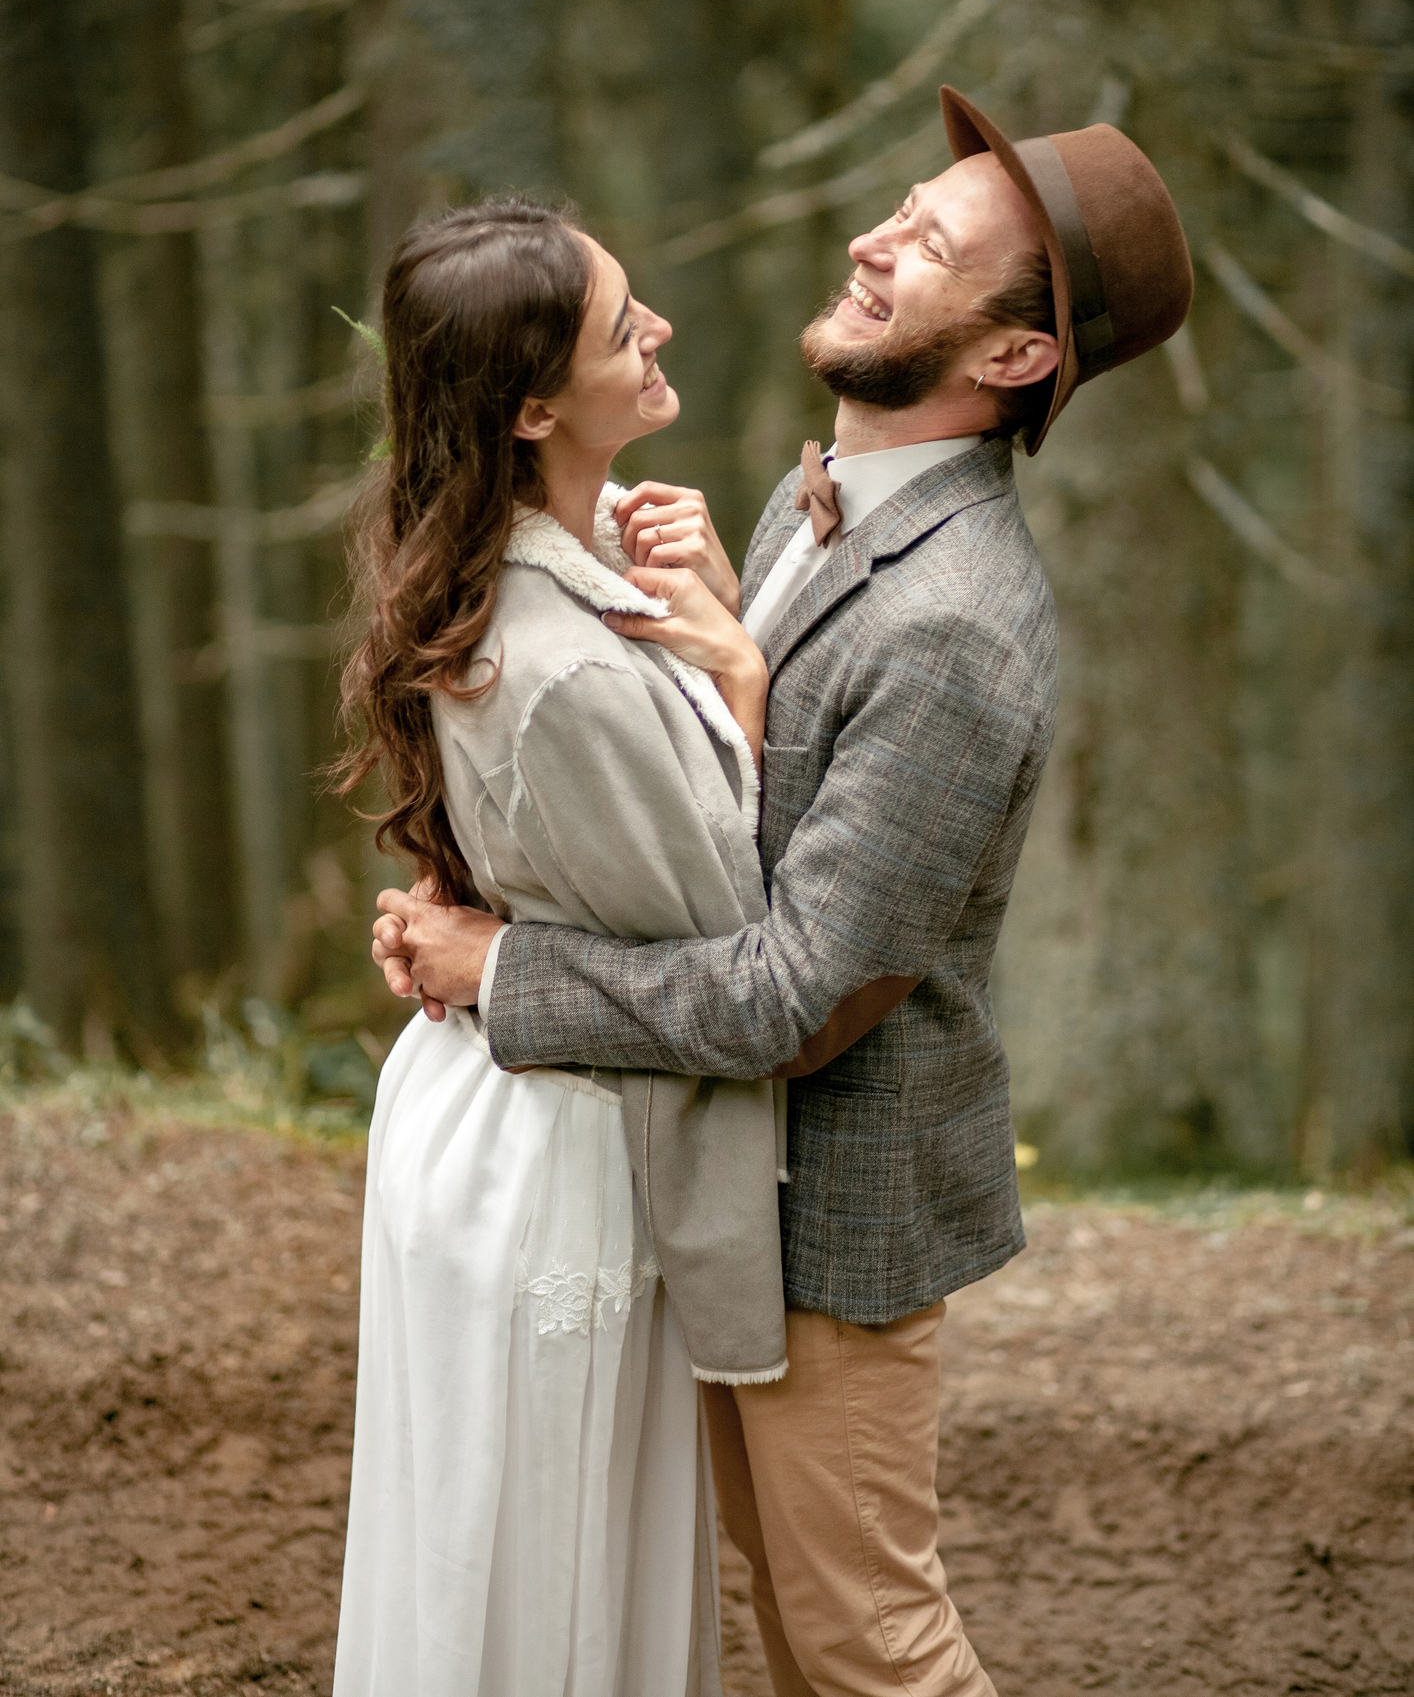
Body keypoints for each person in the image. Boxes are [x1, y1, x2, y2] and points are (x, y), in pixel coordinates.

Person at [370, 86, 1195, 1697]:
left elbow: (796, 997)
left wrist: (499, 969)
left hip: (834, 1218)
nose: (870, 242)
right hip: (723, 1181)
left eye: (929, 247)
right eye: (898, 208)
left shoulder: (958, 621)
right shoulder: (824, 502)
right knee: (797, 1625)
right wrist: (723, 640)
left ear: (1014, 355)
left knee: (869, 1645)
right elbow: (752, 824)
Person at [331, 198, 795, 1697]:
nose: (655, 327)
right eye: (619, 326)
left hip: (491, 1106)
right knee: (548, 1585)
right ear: (533, 406)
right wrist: (741, 681)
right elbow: (739, 948)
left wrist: (690, 598)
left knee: (491, 1552)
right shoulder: (567, 668)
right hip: (561, 1155)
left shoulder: (529, 571)